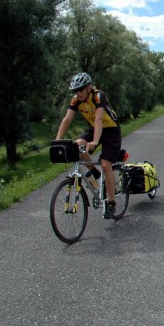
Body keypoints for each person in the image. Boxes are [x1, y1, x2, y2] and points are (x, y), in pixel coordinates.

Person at [56, 72, 122, 219]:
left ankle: (111, 203)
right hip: (94, 128)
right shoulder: (76, 101)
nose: (78, 93)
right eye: (75, 90)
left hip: (111, 130)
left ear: (88, 87)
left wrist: (95, 141)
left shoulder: (99, 96)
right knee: (75, 146)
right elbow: (67, 119)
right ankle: (94, 171)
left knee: (106, 164)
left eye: (80, 89)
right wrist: (57, 140)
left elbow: (99, 118)